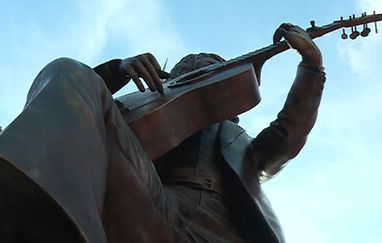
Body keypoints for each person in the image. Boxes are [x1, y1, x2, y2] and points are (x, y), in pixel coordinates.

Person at [0, 23, 325, 243]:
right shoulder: (151, 114)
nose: (203, 70)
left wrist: (311, 67)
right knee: (67, 70)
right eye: (191, 68)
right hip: (150, 204)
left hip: (220, 230)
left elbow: (288, 136)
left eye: (213, 68)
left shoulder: (242, 145)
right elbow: (83, 118)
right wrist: (118, 69)